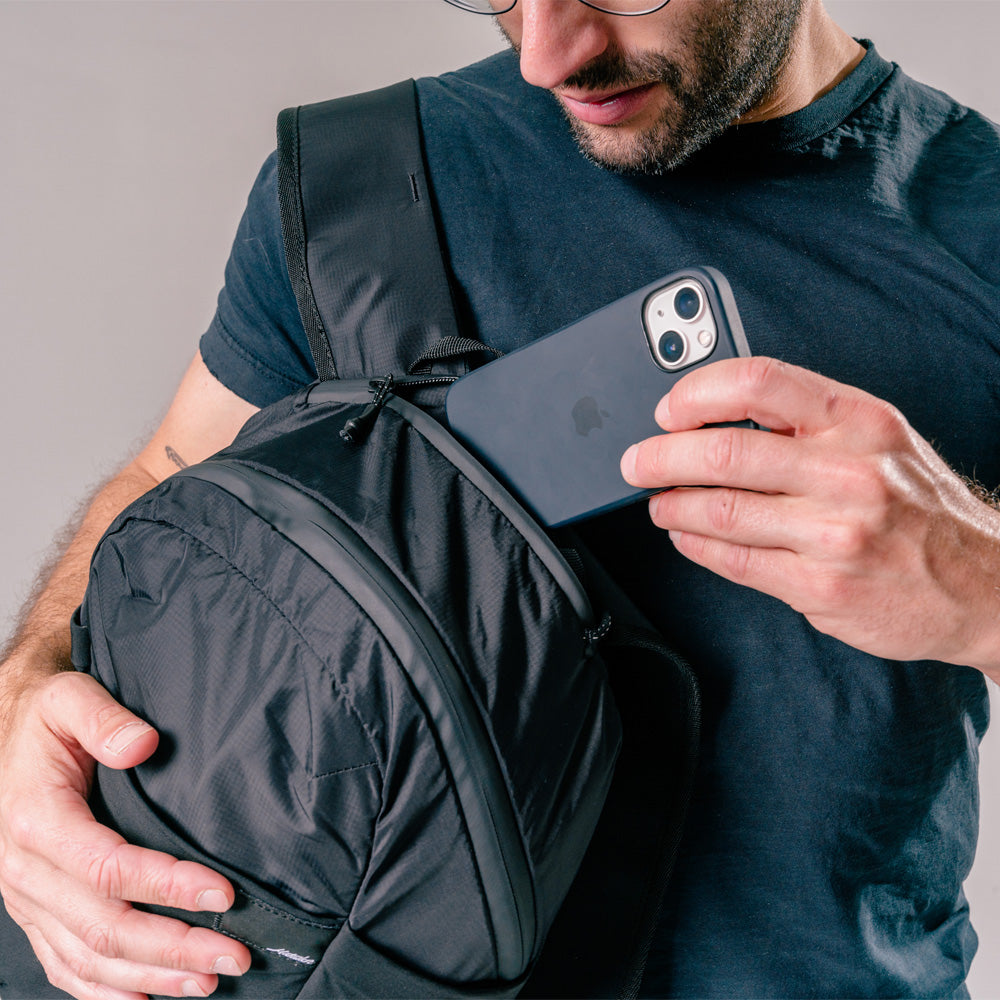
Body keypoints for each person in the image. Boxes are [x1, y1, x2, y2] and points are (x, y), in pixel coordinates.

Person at [2, 0, 999, 996]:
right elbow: (165, 477)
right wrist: (20, 715)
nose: (546, 56)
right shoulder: (368, 178)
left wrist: (979, 581)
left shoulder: (980, 226)